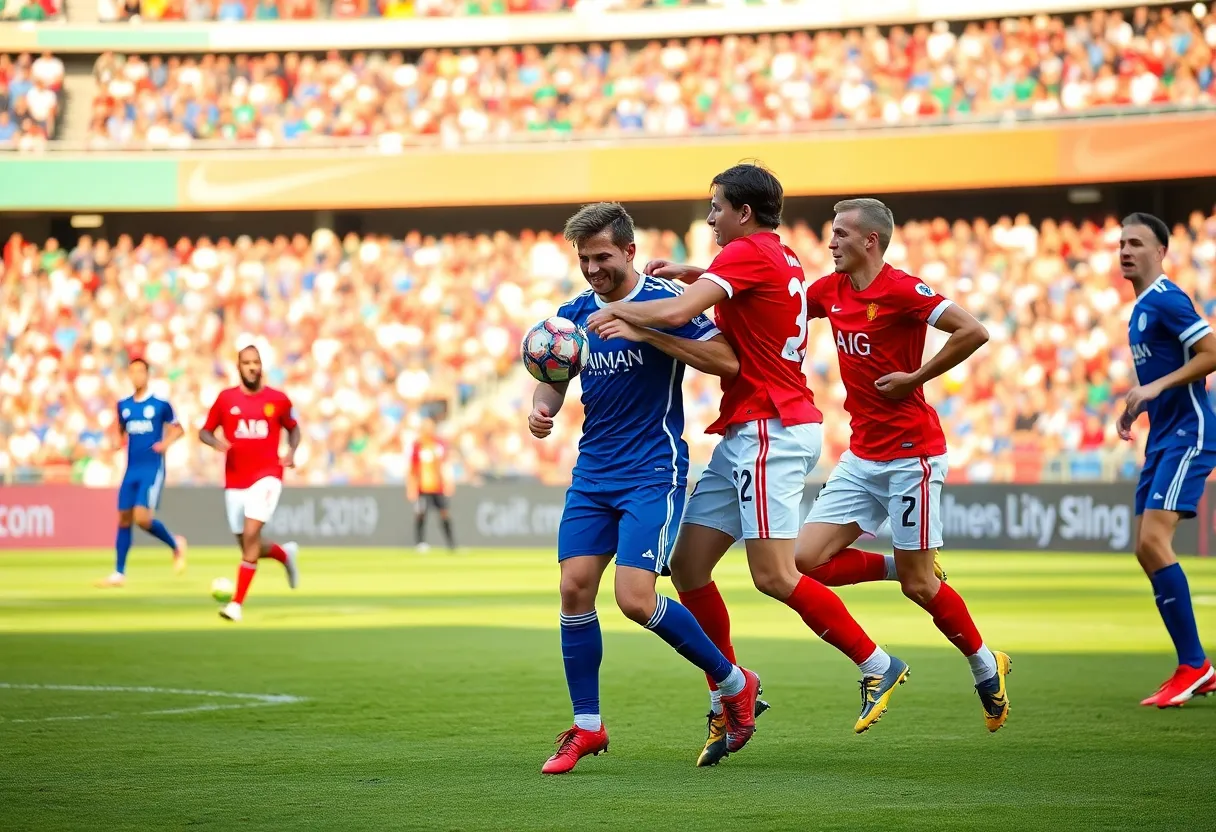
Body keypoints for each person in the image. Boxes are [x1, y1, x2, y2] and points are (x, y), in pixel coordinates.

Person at [586, 164, 902, 767]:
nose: (709, 218)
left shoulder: (745, 254)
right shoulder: (774, 256)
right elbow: (736, 307)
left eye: (716, 208)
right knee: (688, 565)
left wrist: (628, 316)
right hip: (750, 428)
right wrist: (693, 275)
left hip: (771, 428)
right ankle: (730, 689)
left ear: (743, 213)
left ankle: (878, 664)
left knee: (775, 575)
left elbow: (678, 317)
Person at [531, 202, 760, 774]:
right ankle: (588, 728)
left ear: (630, 251)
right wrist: (543, 408)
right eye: (584, 258)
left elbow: (726, 361)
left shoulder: (665, 301)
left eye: (602, 256)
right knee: (573, 589)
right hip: (592, 473)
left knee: (634, 598)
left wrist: (643, 328)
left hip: (651, 471)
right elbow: (554, 380)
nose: (592, 269)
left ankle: (735, 682)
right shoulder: (574, 314)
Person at [793, 198, 1011, 732]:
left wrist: (916, 379)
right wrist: (699, 277)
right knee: (806, 560)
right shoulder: (831, 290)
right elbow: (775, 300)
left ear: (870, 240)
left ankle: (986, 666)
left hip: (912, 455)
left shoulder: (902, 289)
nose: (831, 242)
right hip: (861, 454)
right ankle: (897, 565)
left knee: (921, 589)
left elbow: (973, 330)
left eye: (841, 234)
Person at [1116, 212, 1216, 706]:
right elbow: (1158, 375)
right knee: (1145, 546)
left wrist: (1153, 387)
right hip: (1163, 436)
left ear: (1160, 252)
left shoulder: (1166, 298)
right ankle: (1195, 664)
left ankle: (1194, 664)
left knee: (1154, 540)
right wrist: (1137, 406)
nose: (1125, 251)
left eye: (1136, 243)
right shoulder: (1137, 310)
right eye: (1121, 243)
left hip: (1189, 433)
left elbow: (1211, 350)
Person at [199, 343, 301, 623]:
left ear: (261, 366)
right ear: (238, 367)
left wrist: (291, 452)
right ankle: (284, 554)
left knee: (252, 533)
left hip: (267, 477)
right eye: (246, 363)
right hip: (235, 480)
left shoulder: (278, 400)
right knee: (247, 544)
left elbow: (293, 429)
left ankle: (236, 605)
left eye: (256, 362)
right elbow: (204, 432)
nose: (252, 367)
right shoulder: (225, 399)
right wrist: (216, 443)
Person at [96, 357, 187, 587]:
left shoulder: (159, 405)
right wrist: (115, 444)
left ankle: (176, 545)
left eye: (140, 372)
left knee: (142, 518)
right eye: (133, 372)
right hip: (131, 468)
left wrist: (165, 444)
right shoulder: (124, 406)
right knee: (124, 518)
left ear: (147, 375)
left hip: (151, 468)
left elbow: (179, 430)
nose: (136, 376)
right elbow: (121, 432)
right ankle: (119, 573)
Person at [408, 417, 456, 552]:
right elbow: (413, 468)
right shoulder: (418, 446)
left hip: (438, 486)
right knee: (421, 513)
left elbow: (445, 465)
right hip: (422, 487)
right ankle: (420, 542)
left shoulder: (439, 445)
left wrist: (448, 482)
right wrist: (411, 487)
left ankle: (451, 543)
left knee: (444, 513)